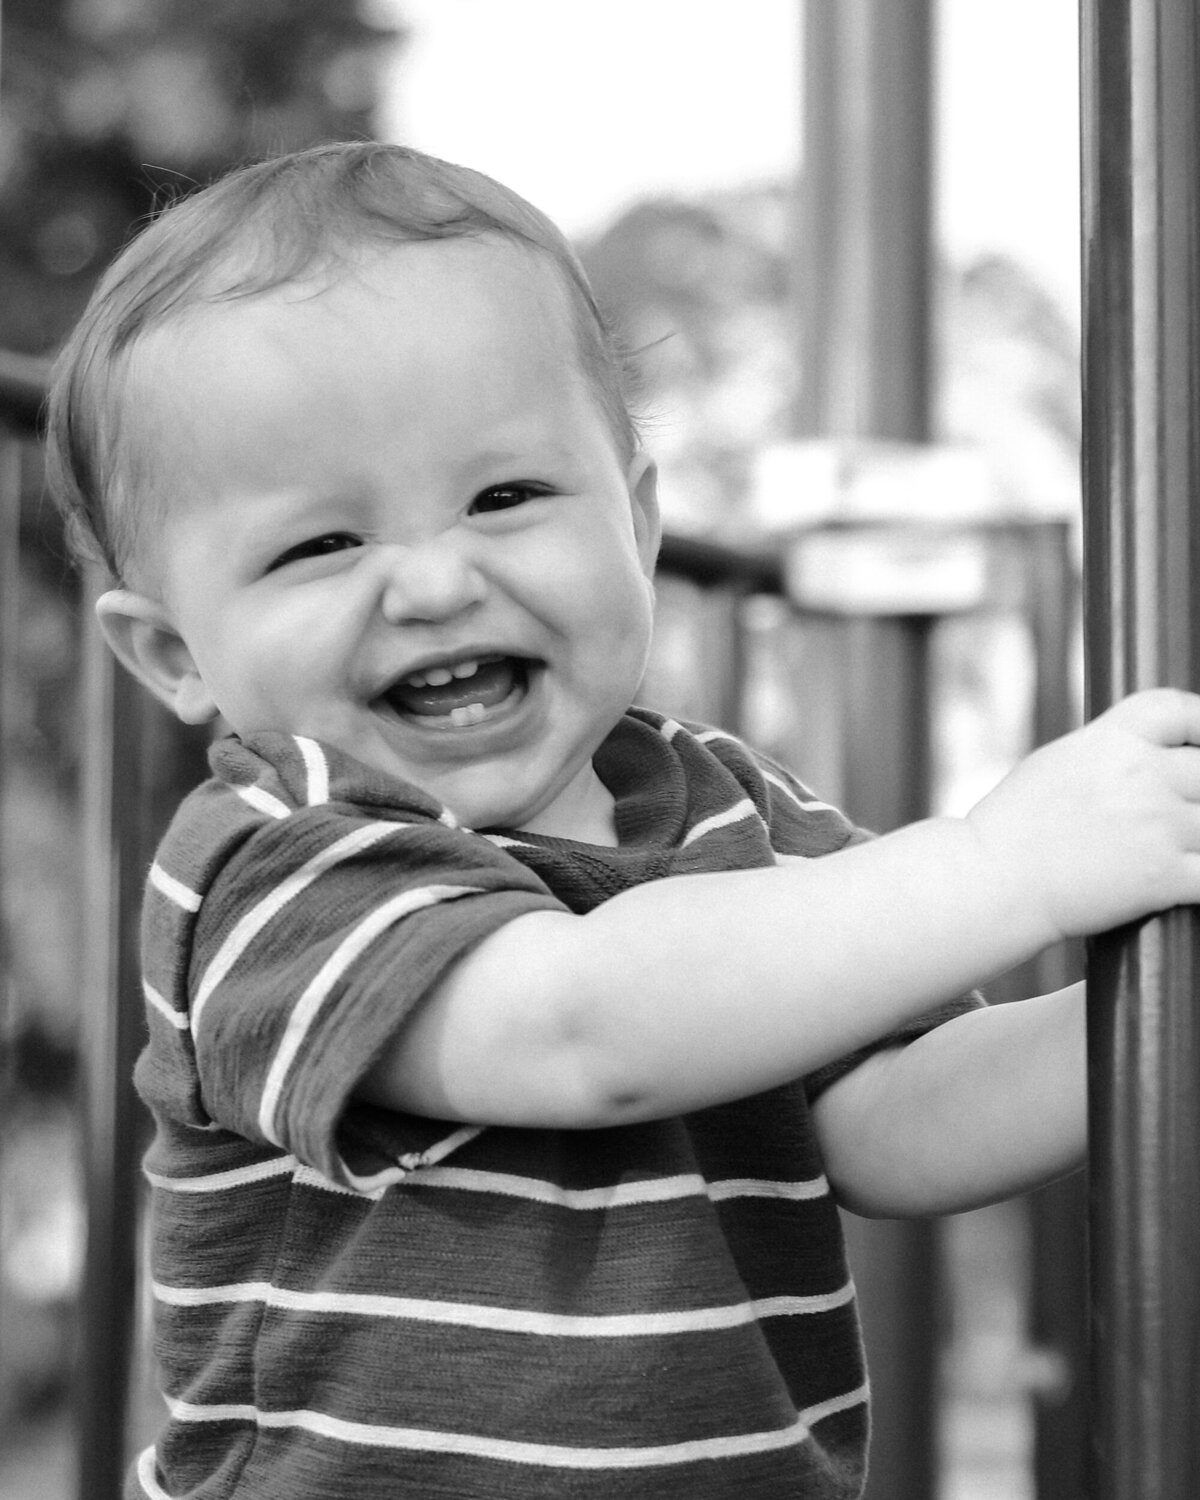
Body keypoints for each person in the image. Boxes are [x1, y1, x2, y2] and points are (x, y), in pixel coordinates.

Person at [46, 142, 1200, 1500]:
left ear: (640, 526)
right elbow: (580, 1030)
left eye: (507, 497)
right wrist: (1007, 865)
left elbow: (893, 1122)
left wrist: (1138, 1017)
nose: (433, 580)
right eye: (320, 545)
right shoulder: (268, 864)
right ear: (173, 654)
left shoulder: (728, 812)